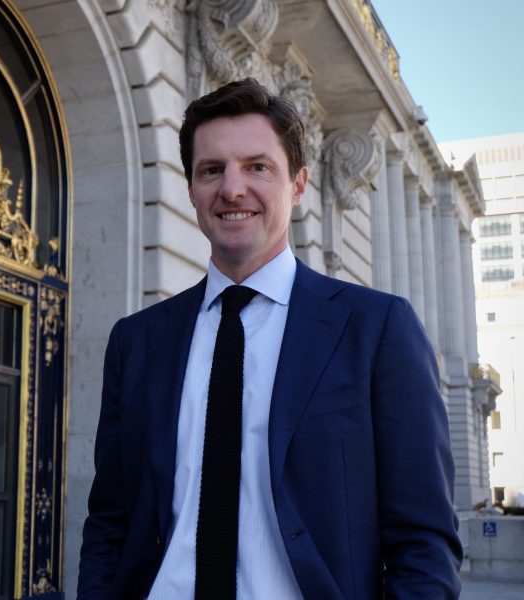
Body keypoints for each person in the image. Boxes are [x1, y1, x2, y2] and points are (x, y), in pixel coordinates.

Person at [78, 78, 462, 599]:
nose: (232, 189)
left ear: (298, 184)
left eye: (258, 167)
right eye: (212, 170)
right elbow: (110, 520)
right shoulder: (137, 342)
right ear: (191, 189)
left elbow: (424, 544)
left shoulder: (375, 329)